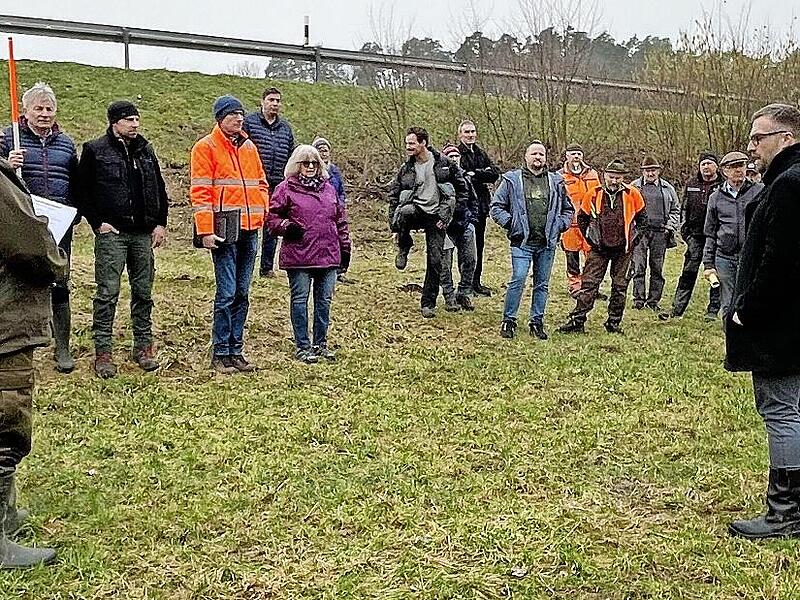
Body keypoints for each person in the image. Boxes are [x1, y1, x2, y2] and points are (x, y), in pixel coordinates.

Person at [726, 104, 800, 539]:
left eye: (759, 137)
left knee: (781, 410)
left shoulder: (789, 186)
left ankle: (785, 511)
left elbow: (781, 262)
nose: (751, 147)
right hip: (790, 323)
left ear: (786, 138)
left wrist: (745, 308)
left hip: (780, 327)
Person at [0, 158, 66, 568]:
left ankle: (4, 516)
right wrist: (55, 254)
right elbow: (28, 244)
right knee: (5, 425)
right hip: (4, 324)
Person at [79, 100, 169, 378]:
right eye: (129, 119)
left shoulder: (146, 150)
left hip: (143, 233)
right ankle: (103, 351)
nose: (135, 124)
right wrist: (97, 223)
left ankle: (143, 347)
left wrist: (160, 223)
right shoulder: (95, 150)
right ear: (114, 122)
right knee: (107, 293)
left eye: (137, 119)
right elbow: (82, 190)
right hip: (113, 235)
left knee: (143, 292)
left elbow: (159, 187)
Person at [0, 82, 80, 373]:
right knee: (24, 279)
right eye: (38, 108)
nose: (44, 113)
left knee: (60, 280)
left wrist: (75, 213)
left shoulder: (66, 143)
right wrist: (8, 162)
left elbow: (75, 180)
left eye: (49, 108)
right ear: (25, 110)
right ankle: (25, 339)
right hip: (23, 223)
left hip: (59, 224)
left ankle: (62, 347)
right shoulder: (10, 137)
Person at [191, 95, 269, 374]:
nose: (239, 118)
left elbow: (261, 183)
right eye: (233, 114)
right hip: (224, 229)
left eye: (240, 114)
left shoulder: (249, 147)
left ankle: (236, 349)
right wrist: (205, 231)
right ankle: (220, 351)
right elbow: (200, 192)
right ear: (220, 118)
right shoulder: (205, 147)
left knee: (243, 292)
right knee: (227, 292)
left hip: (250, 228)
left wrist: (261, 211)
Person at [266, 145, 351, 363]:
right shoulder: (285, 189)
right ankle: (302, 345)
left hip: (328, 253)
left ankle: (321, 344)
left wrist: (345, 248)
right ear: (297, 165)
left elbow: (340, 220)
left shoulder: (329, 189)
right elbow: (272, 219)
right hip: (299, 254)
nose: (311, 167)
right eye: (306, 163)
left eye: (314, 163)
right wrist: (287, 226)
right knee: (300, 299)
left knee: (324, 301)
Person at [490, 141, 573, 339]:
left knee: (542, 283)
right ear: (526, 157)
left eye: (541, 154)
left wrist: (560, 225)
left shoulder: (556, 181)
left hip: (546, 243)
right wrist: (512, 225)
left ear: (546, 158)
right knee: (518, 279)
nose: (538, 157)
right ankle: (508, 320)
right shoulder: (512, 180)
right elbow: (496, 207)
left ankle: (537, 321)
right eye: (534, 153)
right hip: (522, 242)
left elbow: (568, 209)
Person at [558, 160, 646, 334]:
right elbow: (582, 217)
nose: (614, 181)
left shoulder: (633, 194)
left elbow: (643, 220)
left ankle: (613, 322)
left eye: (618, 177)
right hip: (599, 249)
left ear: (623, 177)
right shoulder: (594, 193)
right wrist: (590, 239)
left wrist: (633, 239)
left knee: (620, 286)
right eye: (611, 177)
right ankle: (577, 320)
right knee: (589, 284)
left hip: (623, 250)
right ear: (604, 175)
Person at [388, 127, 468, 318]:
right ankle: (404, 246)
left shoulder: (444, 164)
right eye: (407, 143)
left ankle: (428, 303)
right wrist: (394, 226)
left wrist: (447, 216)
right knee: (405, 211)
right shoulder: (406, 168)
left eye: (411, 143)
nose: (408, 147)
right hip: (416, 210)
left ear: (423, 143)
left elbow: (462, 190)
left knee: (435, 260)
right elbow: (393, 196)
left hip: (437, 216)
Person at [702, 151, 763, 322]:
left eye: (741, 165)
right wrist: (708, 263)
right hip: (725, 257)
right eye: (733, 166)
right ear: (724, 171)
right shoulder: (715, 197)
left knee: (747, 302)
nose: (738, 170)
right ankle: (731, 340)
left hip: (750, 257)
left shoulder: (759, 191)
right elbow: (710, 232)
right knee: (728, 303)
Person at [663, 152, 723, 320]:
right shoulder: (691, 184)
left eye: (710, 163)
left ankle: (713, 309)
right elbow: (684, 208)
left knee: (715, 273)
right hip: (695, 235)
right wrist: (685, 232)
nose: (706, 167)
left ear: (716, 166)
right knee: (688, 272)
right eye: (703, 164)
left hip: (717, 236)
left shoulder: (723, 186)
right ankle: (677, 309)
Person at [243, 86, 295, 279]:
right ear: (262, 102)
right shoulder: (249, 124)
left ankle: (266, 268)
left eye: (277, 101)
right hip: (253, 183)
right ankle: (246, 265)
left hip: (277, 184)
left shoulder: (285, 129)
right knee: (250, 225)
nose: (274, 104)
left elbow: (291, 155)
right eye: (271, 100)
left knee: (272, 226)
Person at [630, 156, 679, 312]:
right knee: (639, 267)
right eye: (647, 170)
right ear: (642, 172)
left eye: (653, 170)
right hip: (640, 233)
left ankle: (653, 301)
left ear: (658, 171)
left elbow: (675, 210)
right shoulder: (633, 188)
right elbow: (627, 209)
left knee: (657, 268)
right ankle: (638, 299)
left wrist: (669, 227)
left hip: (660, 232)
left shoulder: (668, 188)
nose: (650, 173)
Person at [457, 120, 500, 296]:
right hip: (465, 206)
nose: (470, 135)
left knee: (480, 245)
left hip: (481, 206)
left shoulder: (480, 153)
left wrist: (476, 173)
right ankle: (465, 283)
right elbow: (462, 176)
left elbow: (494, 173)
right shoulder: (457, 153)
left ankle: (476, 282)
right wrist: (480, 173)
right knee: (467, 247)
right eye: (467, 132)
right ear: (460, 134)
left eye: (473, 131)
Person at [440, 143, 479, 312]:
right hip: (445, 228)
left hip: (465, 225)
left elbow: (474, 200)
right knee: (444, 264)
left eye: (456, 156)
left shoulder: (465, 178)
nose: (454, 159)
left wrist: (472, 218)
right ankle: (448, 295)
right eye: (451, 156)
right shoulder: (439, 178)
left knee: (470, 260)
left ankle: (464, 293)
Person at [312, 136, 354, 285]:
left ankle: (340, 270)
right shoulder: (313, 171)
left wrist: (341, 204)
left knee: (342, 240)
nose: (324, 153)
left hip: (337, 210)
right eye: (320, 150)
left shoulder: (334, 170)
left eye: (326, 150)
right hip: (321, 212)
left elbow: (341, 190)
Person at [560, 143, 600, 298]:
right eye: (573, 154)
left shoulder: (593, 174)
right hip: (570, 224)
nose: (576, 157)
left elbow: (599, 196)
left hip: (589, 223)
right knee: (572, 256)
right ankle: (575, 286)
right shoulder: (560, 176)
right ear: (567, 156)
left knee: (592, 257)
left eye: (579, 153)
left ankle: (590, 286)